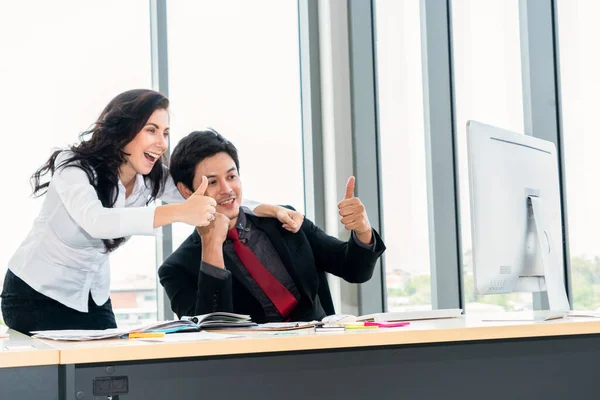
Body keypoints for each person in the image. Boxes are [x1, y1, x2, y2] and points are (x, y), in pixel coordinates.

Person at [0, 89, 303, 334]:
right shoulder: (74, 168)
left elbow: (208, 189)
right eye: (151, 130)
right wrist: (181, 213)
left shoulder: (152, 179)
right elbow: (96, 221)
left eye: (165, 133)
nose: (161, 143)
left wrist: (268, 208)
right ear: (123, 131)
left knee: (108, 377)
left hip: (91, 298)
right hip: (34, 294)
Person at [158, 129, 386, 323]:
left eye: (232, 177)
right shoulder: (176, 269)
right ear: (187, 191)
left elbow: (354, 269)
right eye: (213, 182)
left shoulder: (284, 220)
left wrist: (363, 230)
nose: (227, 189)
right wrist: (212, 246)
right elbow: (208, 333)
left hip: (319, 354)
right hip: (252, 368)